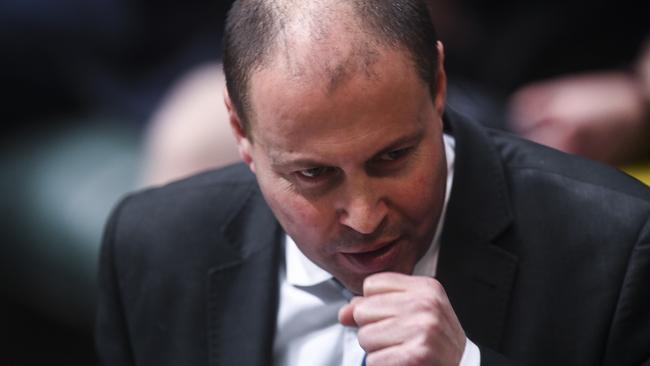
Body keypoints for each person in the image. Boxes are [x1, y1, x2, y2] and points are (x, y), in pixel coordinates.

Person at [96, 0, 650, 365]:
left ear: (437, 86)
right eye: (312, 174)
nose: (363, 216)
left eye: (393, 157)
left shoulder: (617, 249)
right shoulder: (148, 244)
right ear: (240, 131)